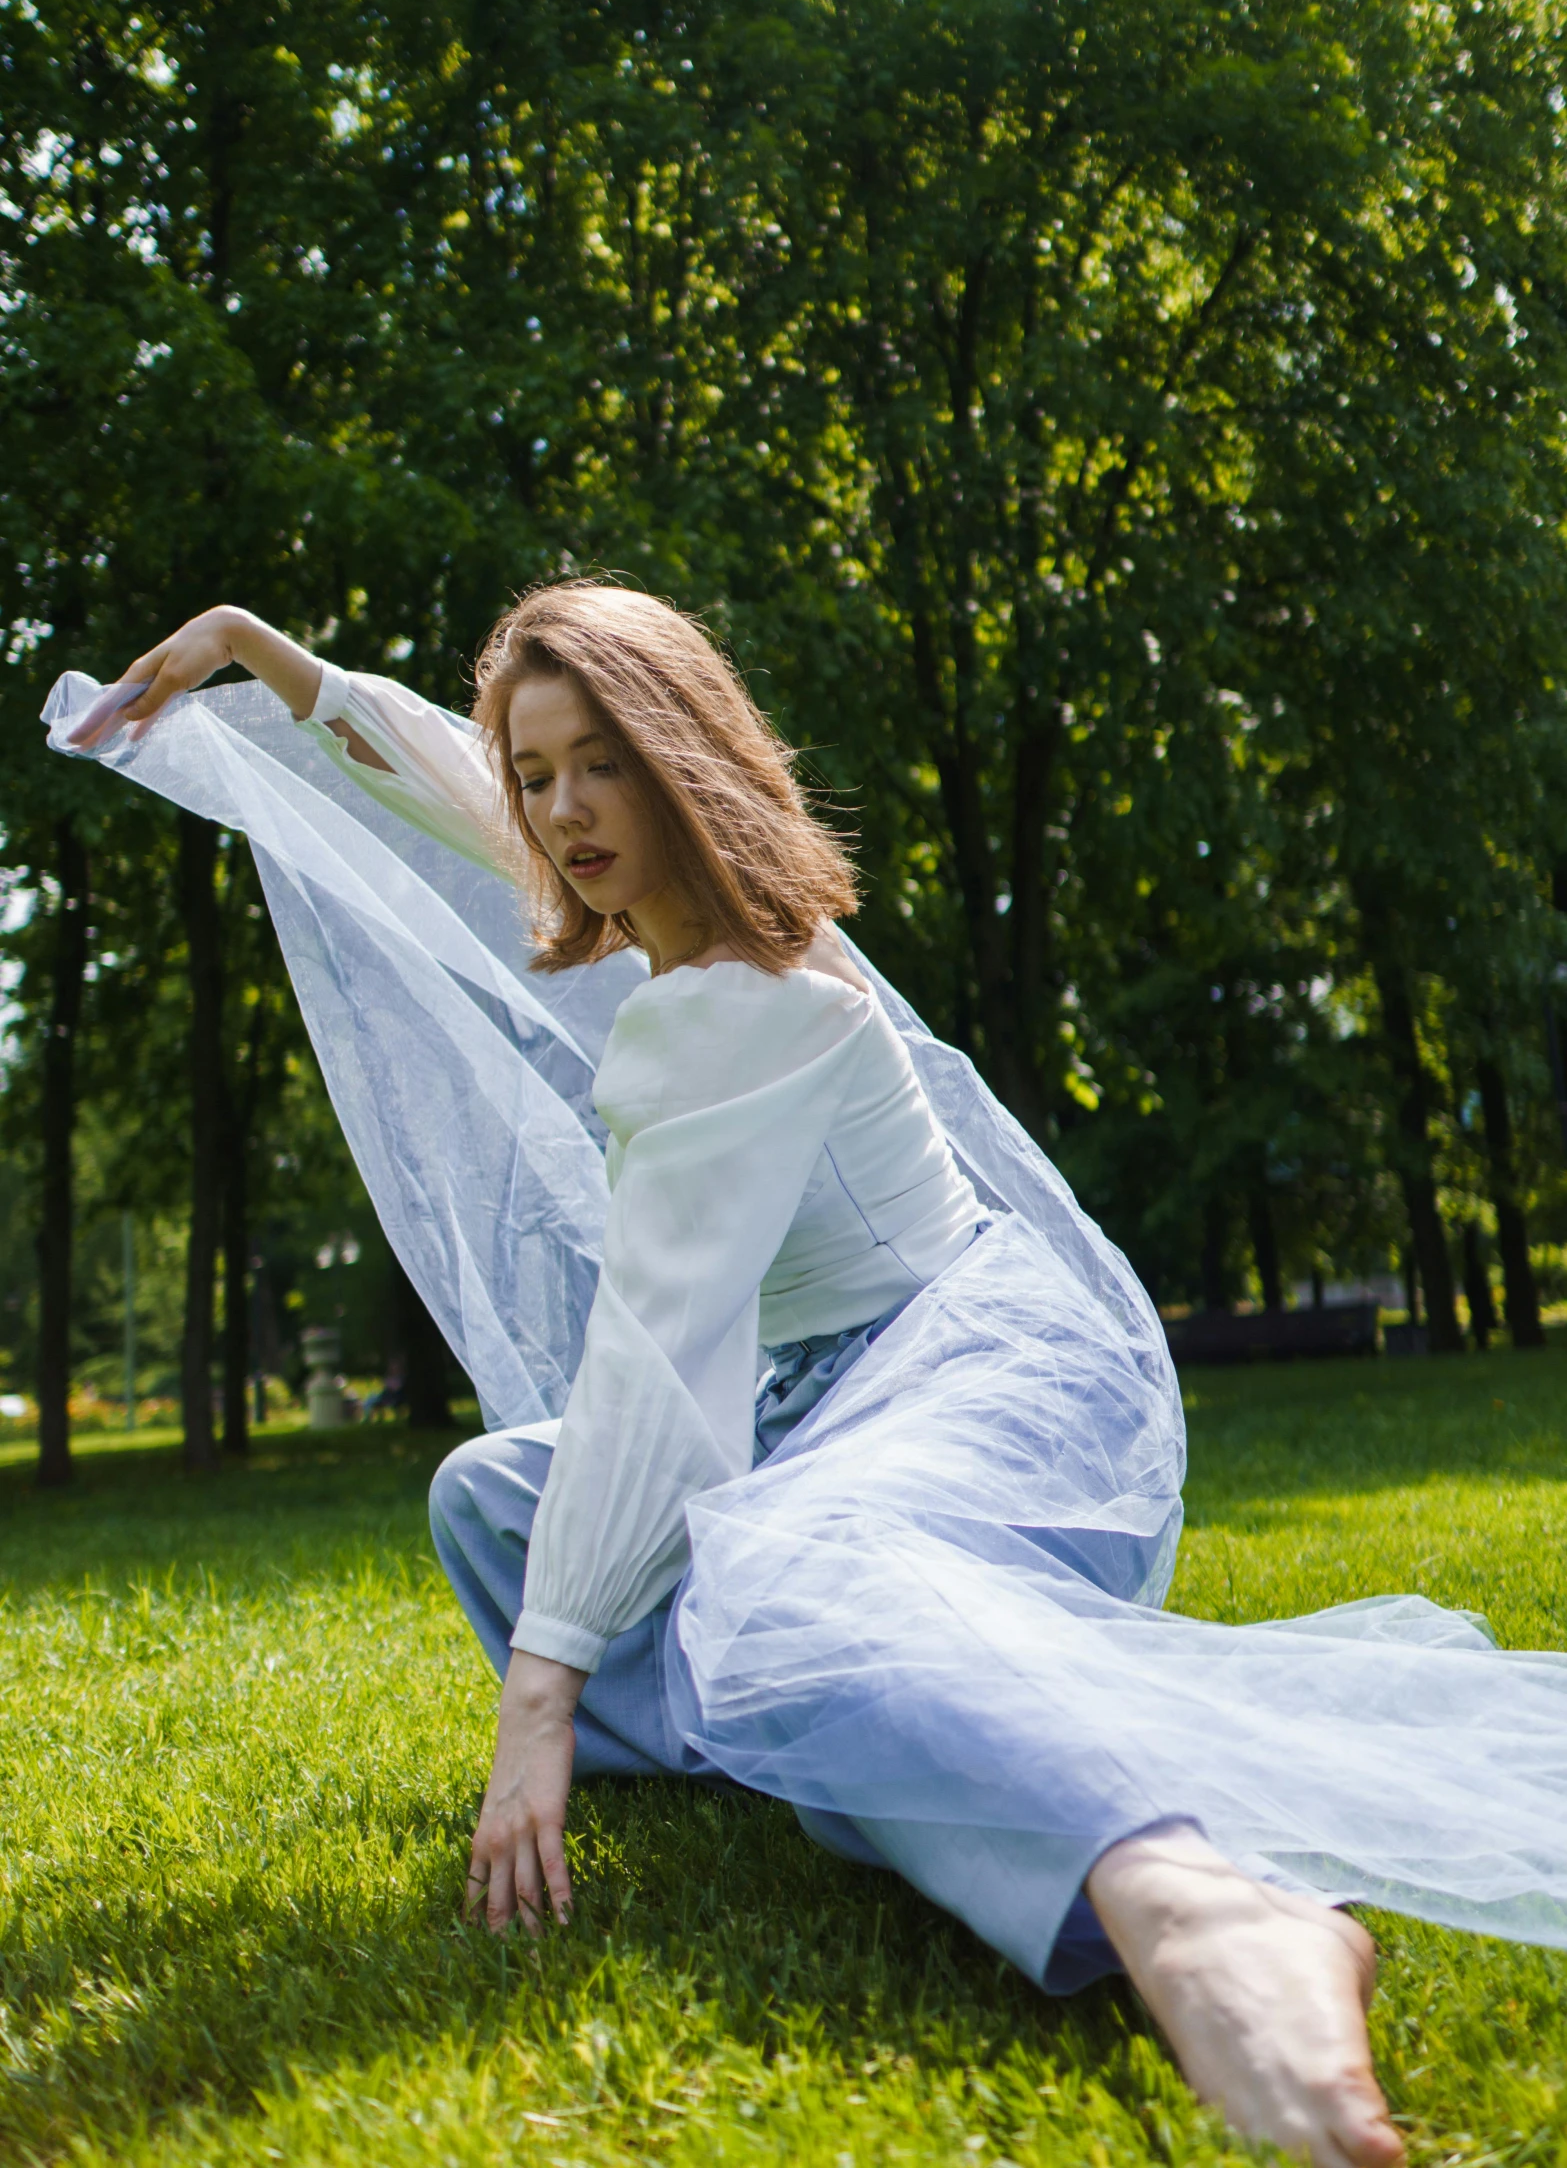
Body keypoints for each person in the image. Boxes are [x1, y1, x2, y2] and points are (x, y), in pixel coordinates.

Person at [54, 586, 1567, 2168]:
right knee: (492, 1500)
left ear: (680, 762)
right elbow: (452, 775)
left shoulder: (731, 1008)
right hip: (832, 1402)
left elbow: (659, 1359)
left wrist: (540, 1693)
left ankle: (1183, 1895)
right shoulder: (681, 909)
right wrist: (256, 654)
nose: (559, 811)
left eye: (601, 767)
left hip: (989, 1392)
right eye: (537, 771)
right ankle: (850, 1712)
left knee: (769, 1587)